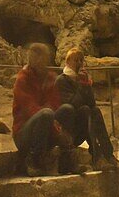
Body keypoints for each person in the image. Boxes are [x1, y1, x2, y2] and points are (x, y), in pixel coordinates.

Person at [12, 43, 79, 176]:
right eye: (42, 57)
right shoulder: (22, 79)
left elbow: (55, 104)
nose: (46, 61)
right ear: (34, 59)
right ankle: (34, 160)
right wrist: (58, 131)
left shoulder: (50, 77)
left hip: (46, 129)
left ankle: (65, 160)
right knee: (45, 114)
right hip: (25, 135)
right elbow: (30, 109)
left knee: (67, 109)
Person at [56, 48, 119, 170]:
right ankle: (97, 157)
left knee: (95, 111)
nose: (79, 63)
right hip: (70, 131)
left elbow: (92, 104)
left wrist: (86, 85)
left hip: (84, 124)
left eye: (81, 60)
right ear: (68, 62)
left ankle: (108, 155)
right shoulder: (62, 80)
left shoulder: (82, 79)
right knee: (86, 111)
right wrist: (81, 85)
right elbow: (73, 105)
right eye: (76, 60)